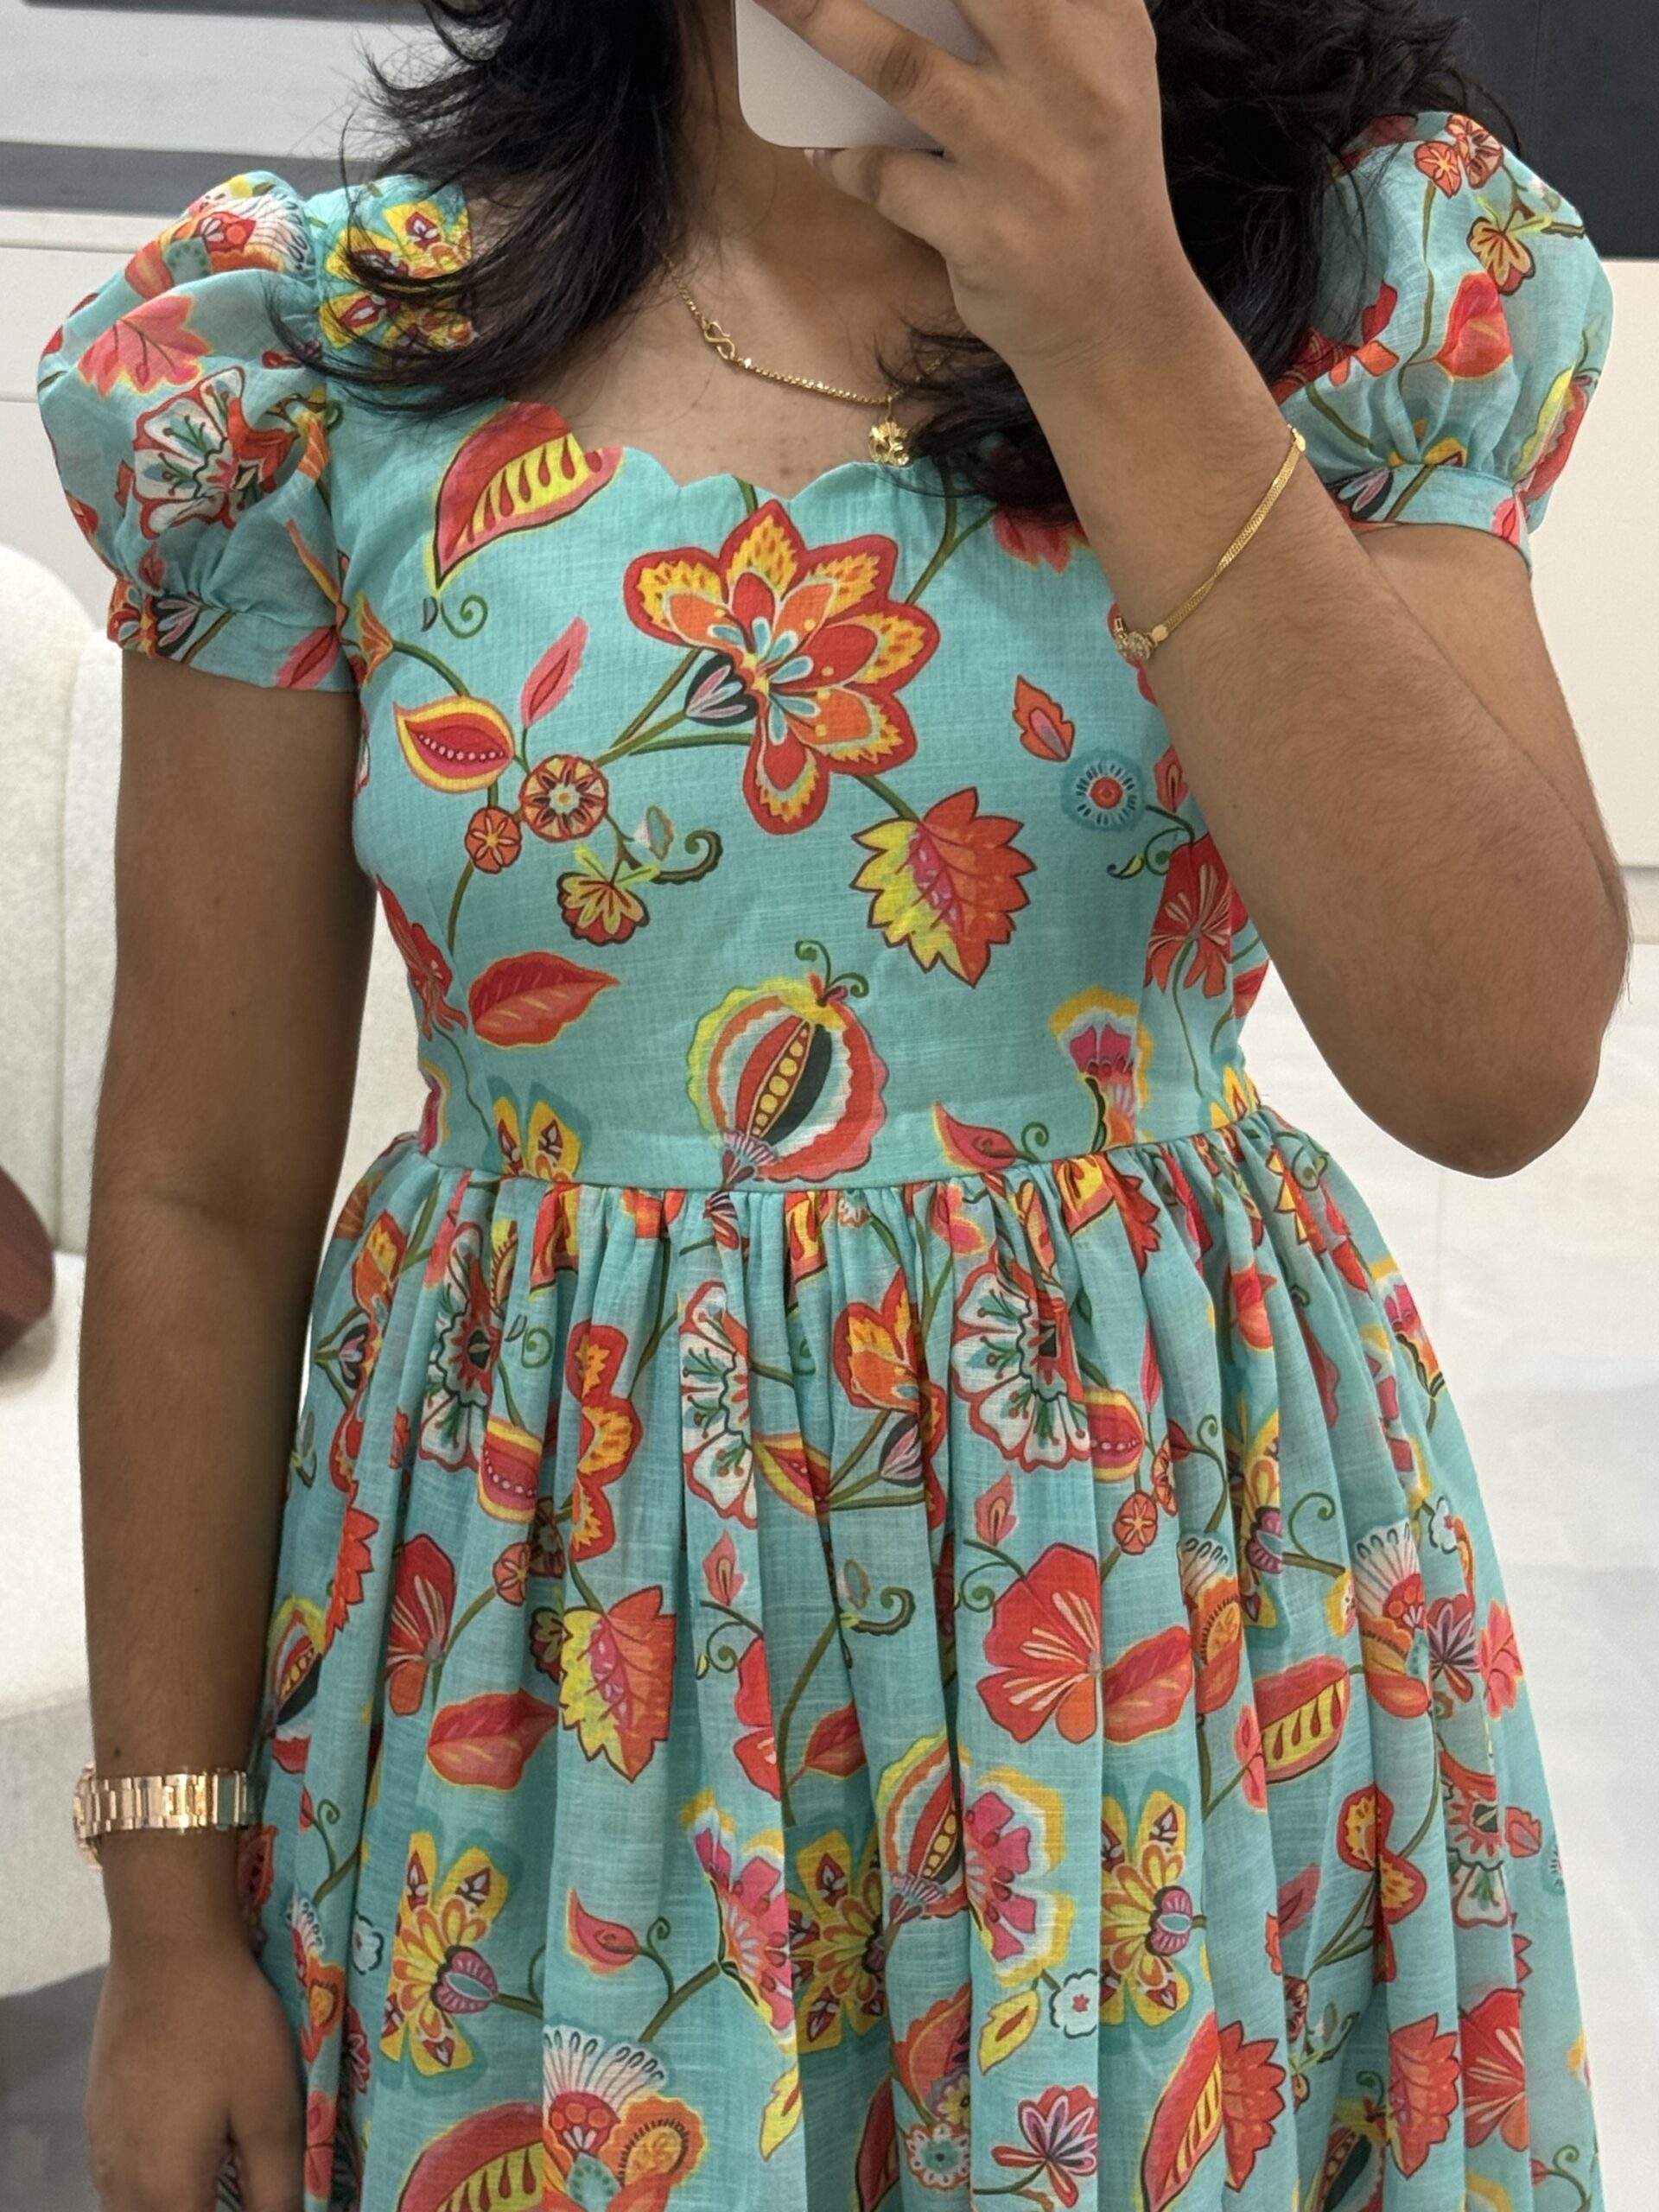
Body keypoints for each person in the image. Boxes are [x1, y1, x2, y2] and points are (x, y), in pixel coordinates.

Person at [35, 0, 1628, 2206]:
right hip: (559, 1720)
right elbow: (201, 1191)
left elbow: (1499, 1056)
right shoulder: (333, 365)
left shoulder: (1337, 282)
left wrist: (1121, 315)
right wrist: (161, 1906)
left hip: (1162, 1679)